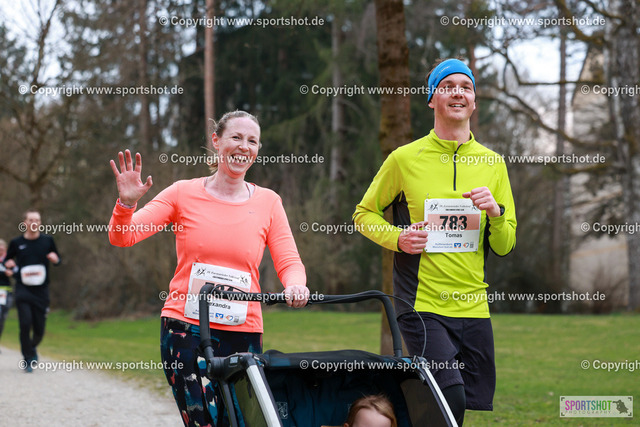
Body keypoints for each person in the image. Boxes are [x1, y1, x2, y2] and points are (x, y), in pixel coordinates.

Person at [108, 110, 309, 426]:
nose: (244, 147)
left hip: (243, 331)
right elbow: (124, 236)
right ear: (216, 141)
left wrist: (296, 284)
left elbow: (289, 261)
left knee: (239, 421)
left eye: (252, 141)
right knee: (203, 421)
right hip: (185, 328)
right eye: (236, 137)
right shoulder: (182, 192)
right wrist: (126, 205)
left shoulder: (269, 202)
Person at [353, 58, 517, 425]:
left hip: (474, 306)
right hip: (421, 303)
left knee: (455, 406)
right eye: (448, 86)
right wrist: (399, 238)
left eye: (466, 87)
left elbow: (505, 244)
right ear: (432, 99)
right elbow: (363, 215)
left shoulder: (493, 163)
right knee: (449, 396)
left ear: (474, 102)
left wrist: (496, 212)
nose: (458, 92)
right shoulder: (404, 159)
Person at [4, 210, 61, 372]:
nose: (34, 223)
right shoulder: (16, 242)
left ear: (40, 223)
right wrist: (9, 265)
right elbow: (8, 260)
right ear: (25, 223)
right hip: (23, 289)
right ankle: (28, 358)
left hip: (41, 291)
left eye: (37, 220)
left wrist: (55, 259)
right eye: (31, 220)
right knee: (25, 323)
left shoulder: (47, 240)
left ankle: (32, 347)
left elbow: (58, 259)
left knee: (39, 328)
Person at [0, 239, 16, 352]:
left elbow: (18, 273)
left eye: (2, 249)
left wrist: (12, 272)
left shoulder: (9, 261)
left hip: (6, 293)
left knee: (2, 318)